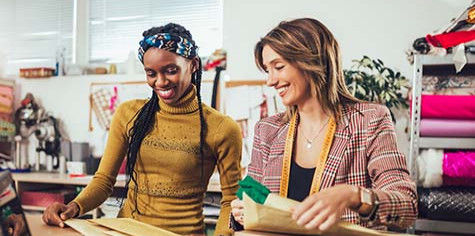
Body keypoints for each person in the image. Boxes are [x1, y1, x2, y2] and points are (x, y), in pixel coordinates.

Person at [41, 23, 242, 235]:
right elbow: (103, 181)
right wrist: (72, 208)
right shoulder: (129, 114)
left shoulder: (221, 128)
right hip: (125, 231)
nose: (160, 82)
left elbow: (231, 202)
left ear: (193, 65)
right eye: (151, 73)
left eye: (171, 71)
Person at [230, 18, 417, 232]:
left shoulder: (369, 120)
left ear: (311, 61)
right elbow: (251, 200)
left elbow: (407, 206)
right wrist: (240, 212)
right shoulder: (268, 130)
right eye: (267, 70)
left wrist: (353, 196)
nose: (270, 81)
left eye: (279, 67)